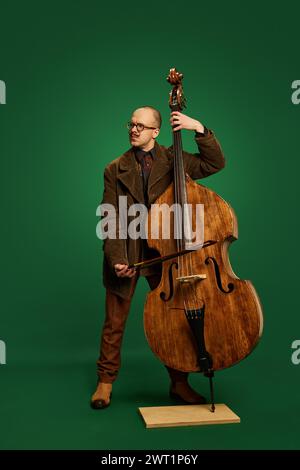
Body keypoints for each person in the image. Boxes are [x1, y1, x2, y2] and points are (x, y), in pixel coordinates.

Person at [91, 106, 225, 409]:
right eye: (131, 124)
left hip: (164, 253)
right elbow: (110, 216)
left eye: (141, 126)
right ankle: (105, 382)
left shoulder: (176, 160)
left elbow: (215, 162)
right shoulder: (114, 168)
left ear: (156, 132)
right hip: (127, 251)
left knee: (173, 319)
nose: (134, 130)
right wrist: (116, 259)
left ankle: (179, 384)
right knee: (114, 322)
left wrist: (198, 128)